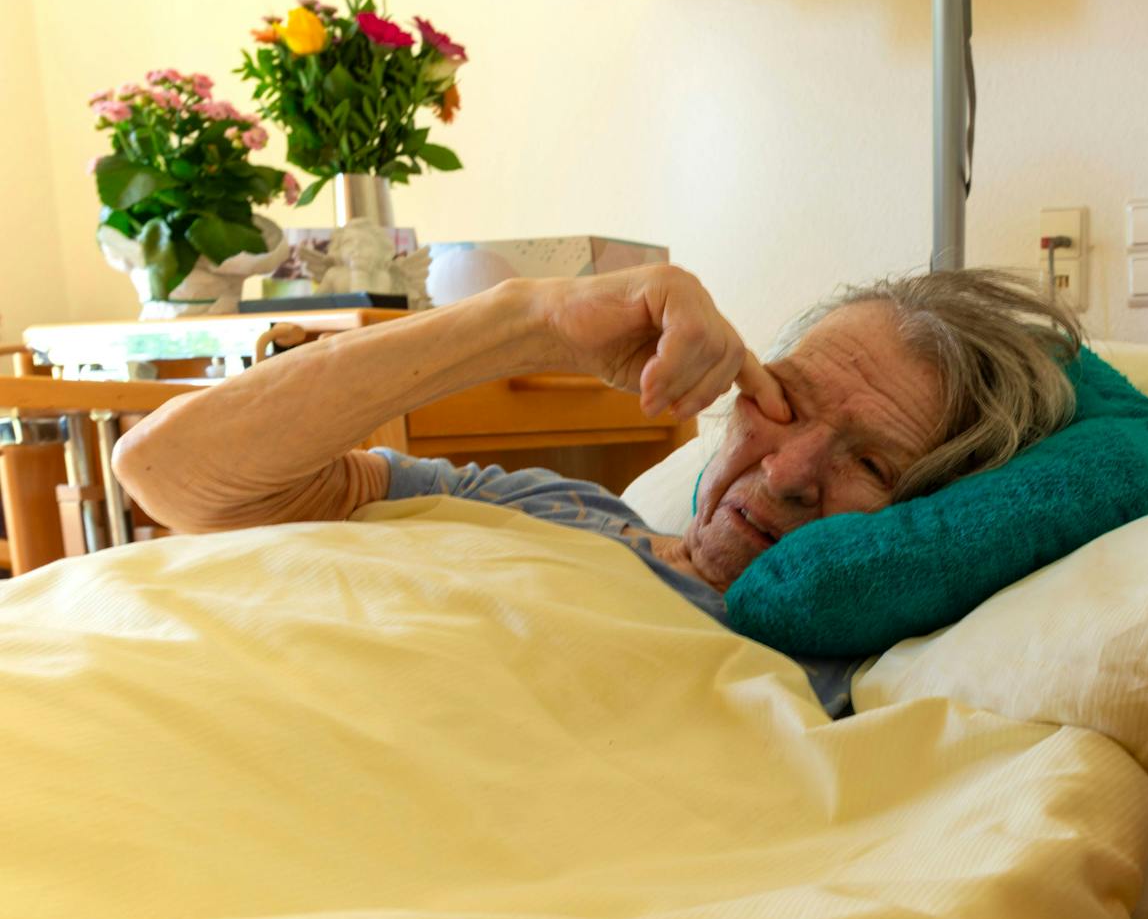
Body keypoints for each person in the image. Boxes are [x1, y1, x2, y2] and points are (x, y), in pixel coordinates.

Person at [115, 264, 1084, 714]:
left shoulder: (842, 684)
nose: (787, 474)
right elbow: (165, 473)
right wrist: (528, 320)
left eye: (871, 464)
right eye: (783, 401)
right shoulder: (546, 504)